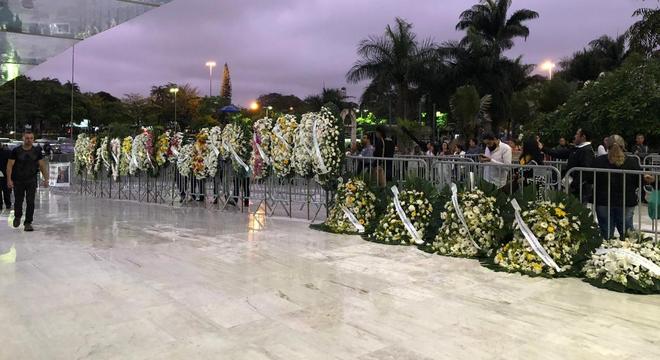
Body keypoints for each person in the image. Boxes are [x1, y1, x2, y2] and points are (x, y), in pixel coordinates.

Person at [592, 135, 652, 239]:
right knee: (628, 236)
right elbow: (638, 182)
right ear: (623, 146)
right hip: (626, 201)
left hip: (603, 200)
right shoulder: (632, 162)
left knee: (606, 235)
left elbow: (590, 179)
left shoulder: (598, 161)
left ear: (607, 145)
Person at [6, 131, 49, 231]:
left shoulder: (37, 151)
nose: (29, 140)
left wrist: (46, 178)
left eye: (31, 138)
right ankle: (17, 217)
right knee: (18, 201)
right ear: (23, 139)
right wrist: (9, 179)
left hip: (31, 180)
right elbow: (9, 166)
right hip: (18, 180)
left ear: (33, 139)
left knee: (30, 202)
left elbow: (42, 165)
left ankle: (28, 222)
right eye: (27, 138)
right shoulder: (15, 151)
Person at [541, 128, 594, 202]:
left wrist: (573, 184)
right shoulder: (577, 149)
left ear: (583, 137)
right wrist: (543, 148)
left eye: (577, 134)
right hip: (574, 188)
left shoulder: (587, 151)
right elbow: (559, 153)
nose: (575, 136)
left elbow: (586, 171)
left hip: (580, 190)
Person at [0, 143, 12, 212]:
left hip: (5, 174)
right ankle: (7, 204)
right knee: (6, 191)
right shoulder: (8, 152)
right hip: (5, 174)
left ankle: (5, 204)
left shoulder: (7, 152)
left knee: (6, 190)